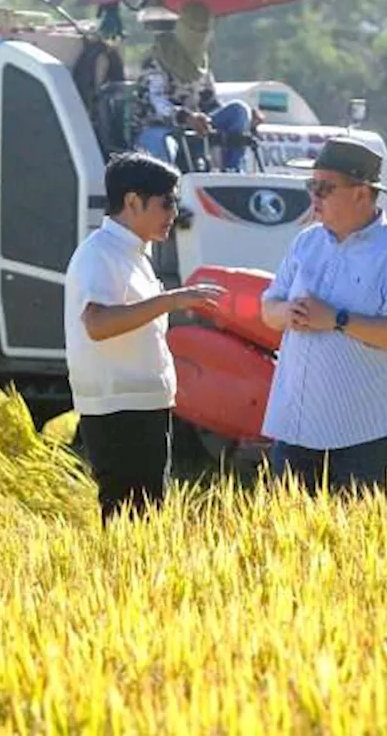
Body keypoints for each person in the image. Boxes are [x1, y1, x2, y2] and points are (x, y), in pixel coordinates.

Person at [258, 136, 387, 494]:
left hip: (361, 436)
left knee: (356, 543)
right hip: (294, 428)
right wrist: (286, 312)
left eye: (325, 188)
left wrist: (337, 320)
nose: (314, 196)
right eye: (312, 185)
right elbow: (268, 308)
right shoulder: (304, 243)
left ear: (361, 193)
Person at [63, 151, 227, 524]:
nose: (174, 213)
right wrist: (169, 301)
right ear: (133, 201)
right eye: (166, 202)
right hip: (119, 411)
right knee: (129, 522)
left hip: (141, 407)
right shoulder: (99, 255)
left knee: (145, 520)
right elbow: (98, 323)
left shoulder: (133, 254)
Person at [131, 0, 258, 172]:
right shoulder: (156, 57)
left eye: (204, 30)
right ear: (182, 28)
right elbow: (156, 102)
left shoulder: (201, 64)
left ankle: (232, 172)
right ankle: (166, 190)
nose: (199, 35)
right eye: (194, 29)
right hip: (156, 129)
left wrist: (250, 120)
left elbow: (210, 103)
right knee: (164, 144)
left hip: (193, 131)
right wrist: (186, 117)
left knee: (239, 111)